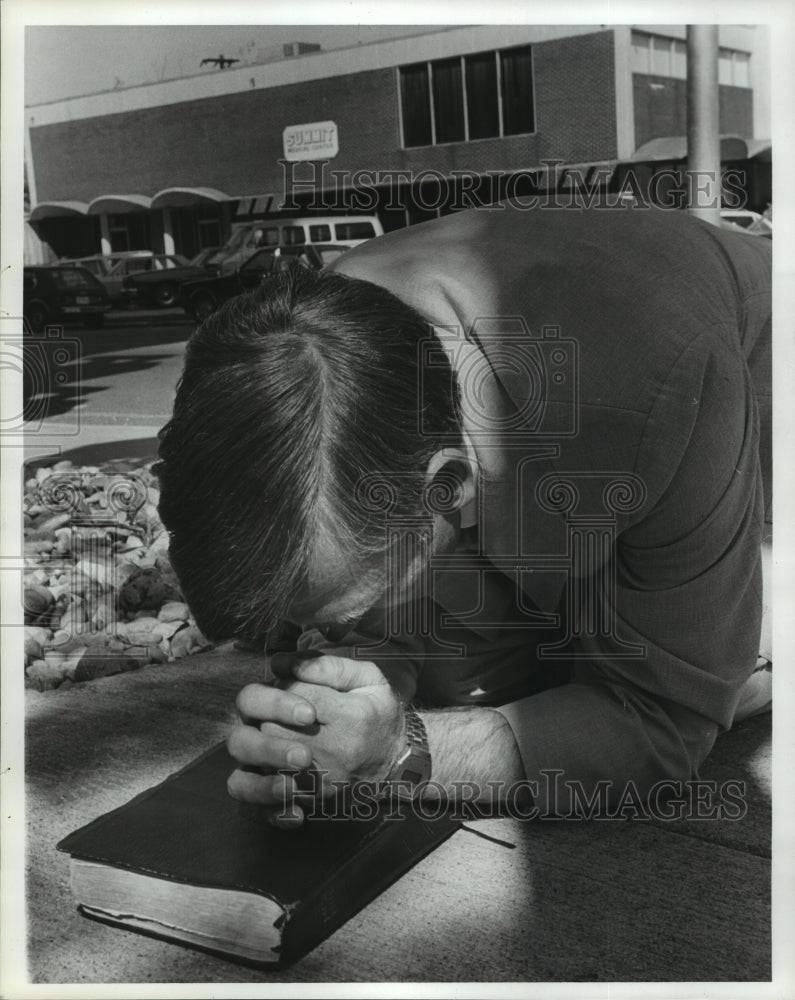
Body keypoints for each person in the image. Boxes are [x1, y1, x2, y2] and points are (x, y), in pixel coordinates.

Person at [156, 202, 772, 826]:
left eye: (341, 617)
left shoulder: (664, 394)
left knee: (727, 665)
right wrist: (361, 681)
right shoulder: (308, 342)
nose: (309, 647)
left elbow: (665, 720)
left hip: (754, 362)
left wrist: (403, 754)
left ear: (447, 488)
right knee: (469, 683)